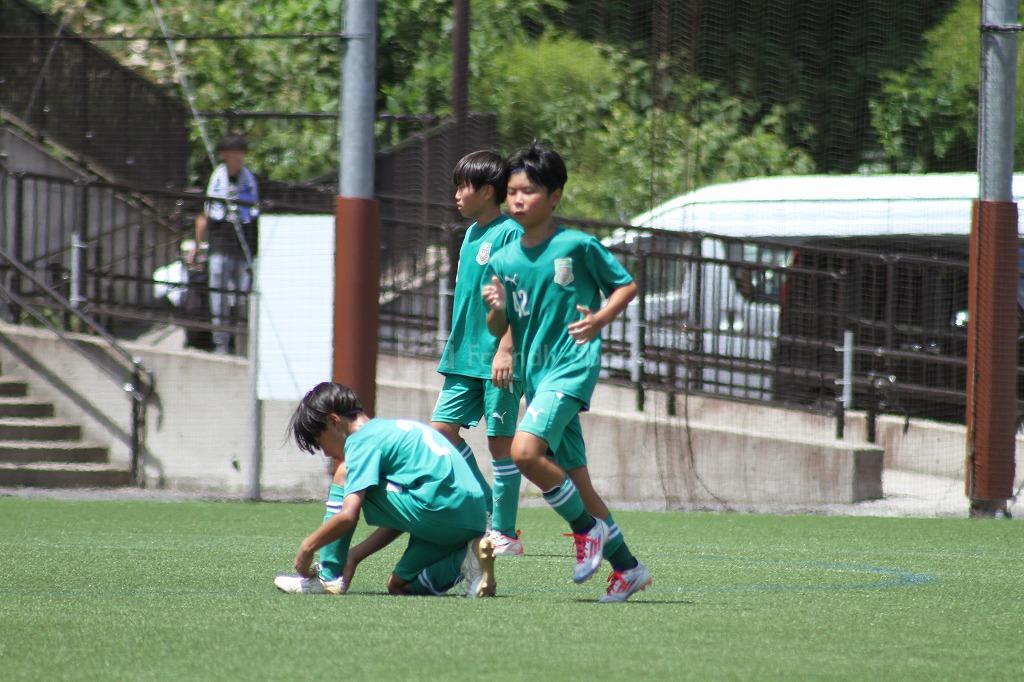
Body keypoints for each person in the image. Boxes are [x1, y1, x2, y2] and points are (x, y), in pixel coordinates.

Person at [481, 142, 652, 602]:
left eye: (529, 191)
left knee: (523, 452)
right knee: (577, 481)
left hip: (572, 366)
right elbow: (499, 326)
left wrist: (599, 320)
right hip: (536, 377)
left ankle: (584, 530)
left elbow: (626, 285)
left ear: (554, 196)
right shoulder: (503, 260)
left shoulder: (576, 245)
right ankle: (629, 569)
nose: (518, 199)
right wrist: (497, 311)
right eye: (512, 192)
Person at [273, 381, 497, 598]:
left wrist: (307, 547)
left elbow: (348, 516)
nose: (326, 453)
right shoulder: (389, 429)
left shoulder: (360, 441)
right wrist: (354, 556)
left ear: (333, 421)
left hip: (439, 508)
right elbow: (402, 515)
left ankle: (328, 576)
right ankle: (470, 559)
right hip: (471, 515)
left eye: (320, 442)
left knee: (344, 472)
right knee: (399, 585)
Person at [431, 150, 526, 556]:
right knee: (441, 435)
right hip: (463, 357)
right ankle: (487, 507)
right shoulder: (470, 234)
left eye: (463, 187)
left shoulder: (510, 234)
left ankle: (506, 533)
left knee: (500, 444)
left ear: (487, 191)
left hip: (498, 359)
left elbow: (521, 298)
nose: (456, 195)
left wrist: (506, 349)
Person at [194, 132, 259, 355]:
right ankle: (220, 345)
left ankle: (242, 347)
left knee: (243, 299)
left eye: (241, 153)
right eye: (233, 152)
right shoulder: (214, 180)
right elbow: (204, 214)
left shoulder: (250, 181)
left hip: (243, 249)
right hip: (219, 246)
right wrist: (198, 246)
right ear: (224, 154)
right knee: (218, 298)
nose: (238, 157)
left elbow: (254, 215)